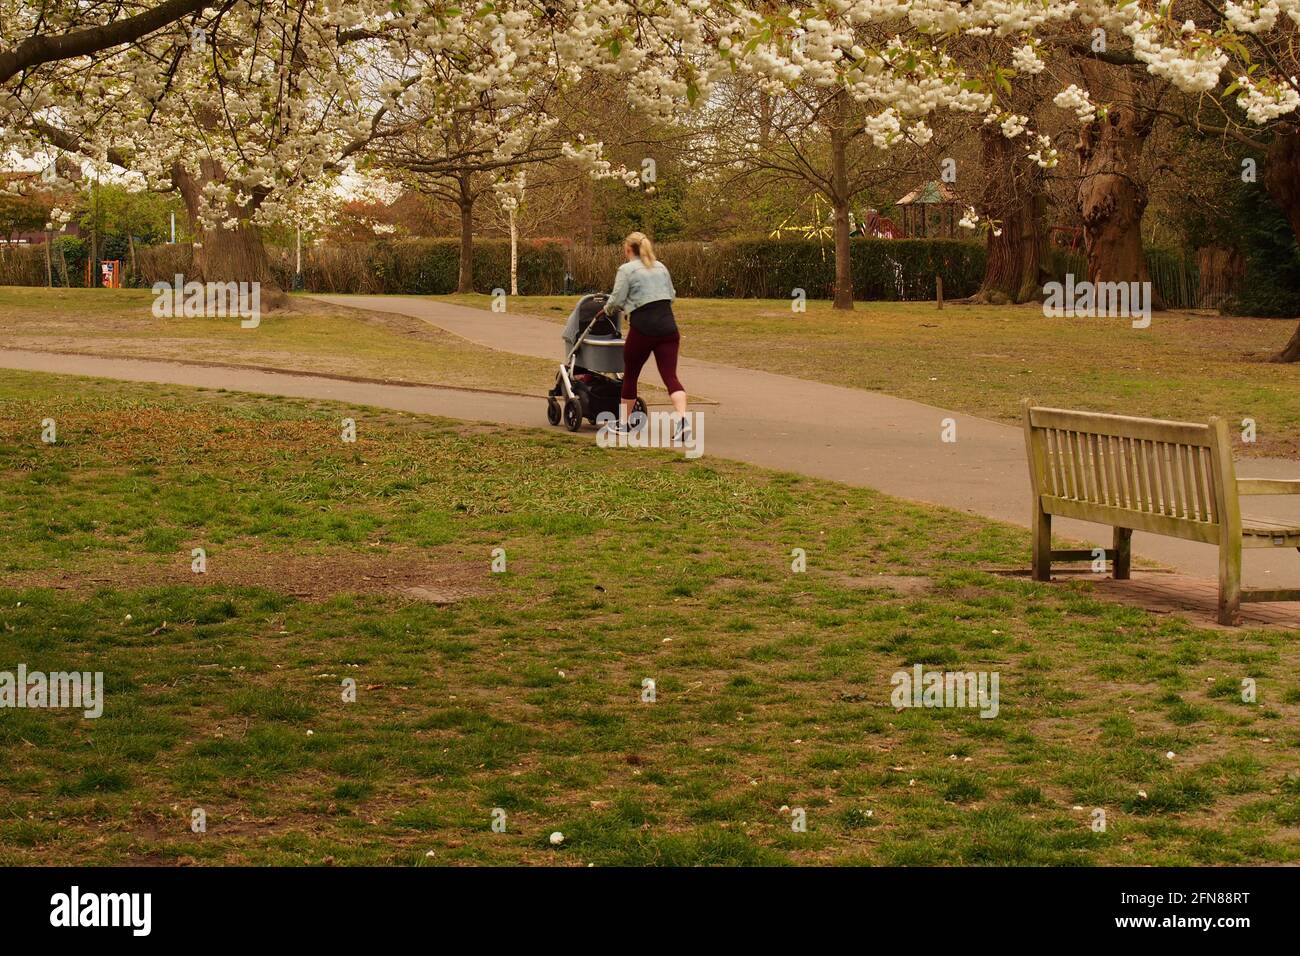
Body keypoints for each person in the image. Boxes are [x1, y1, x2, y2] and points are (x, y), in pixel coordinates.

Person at [598, 231, 690, 441]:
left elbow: (617, 299)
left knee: (630, 374)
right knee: (670, 377)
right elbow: (672, 295)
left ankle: (624, 424)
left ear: (628, 249)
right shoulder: (661, 267)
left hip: (643, 327)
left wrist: (607, 310)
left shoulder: (627, 270)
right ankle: (683, 421)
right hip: (668, 327)